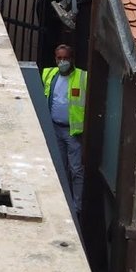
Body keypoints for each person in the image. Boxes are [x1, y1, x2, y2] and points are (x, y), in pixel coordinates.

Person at [42, 44, 87, 216]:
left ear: (72, 59)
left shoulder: (82, 77)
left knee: (75, 169)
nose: (62, 62)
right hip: (54, 128)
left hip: (72, 132)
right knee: (59, 167)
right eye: (59, 58)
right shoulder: (49, 74)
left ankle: (77, 207)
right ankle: (63, 201)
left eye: (65, 58)